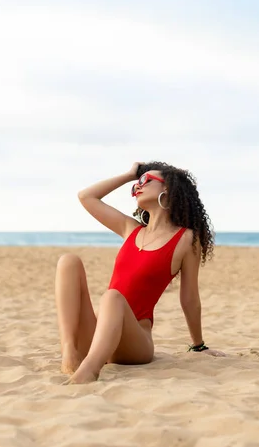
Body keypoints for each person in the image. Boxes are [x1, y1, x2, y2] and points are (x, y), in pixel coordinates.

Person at [55, 161, 224, 384]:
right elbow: (86, 197)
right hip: (101, 336)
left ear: (168, 189)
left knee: (113, 296)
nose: (137, 187)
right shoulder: (130, 229)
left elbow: (190, 298)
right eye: (136, 184)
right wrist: (129, 175)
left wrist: (199, 345)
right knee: (69, 261)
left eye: (145, 181)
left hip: (136, 345)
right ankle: (70, 352)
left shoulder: (185, 239)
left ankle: (89, 370)